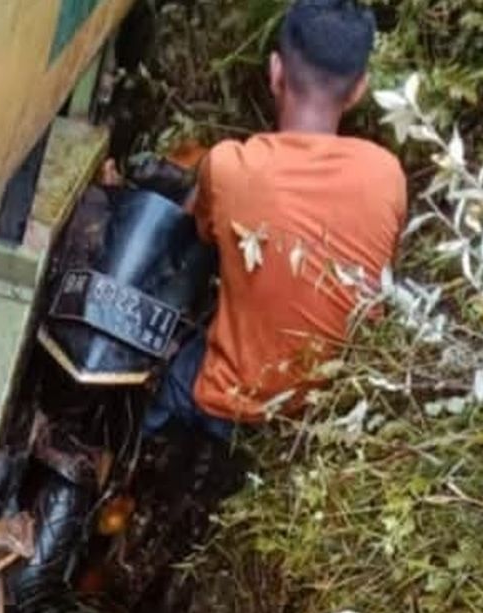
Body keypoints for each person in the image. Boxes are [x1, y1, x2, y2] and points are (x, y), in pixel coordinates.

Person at [143, 0, 408, 440]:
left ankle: (138, 456)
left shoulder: (230, 166)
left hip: (229, 408)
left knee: (164, 389)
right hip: (325, 419)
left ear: (275, 71)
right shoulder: (387, 175)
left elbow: (197, 232)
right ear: (360, 88)